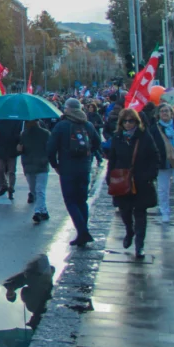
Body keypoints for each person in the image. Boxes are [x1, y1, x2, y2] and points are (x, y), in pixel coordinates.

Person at [47, 98, 102, 247]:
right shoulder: (88, 125)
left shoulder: (61, 126)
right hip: (84, 168)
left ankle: (83, 232)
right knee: (81, 201)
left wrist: (55, 165)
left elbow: (51, 149)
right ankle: (83, 230)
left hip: (67, 168)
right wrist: (89, 156)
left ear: (67, 109)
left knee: (70, 201)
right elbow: (97, 143)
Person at [109, 108, 160, 260]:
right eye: (125, 121)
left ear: (136, 122)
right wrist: (109, 177)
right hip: (122, 181)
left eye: (131, 121)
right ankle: (129, 231)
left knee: (140, 213)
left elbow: (155, 156)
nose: (128, 124)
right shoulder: (117, 137)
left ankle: (139, 245)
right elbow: (112, 159)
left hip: (140, 181)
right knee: (125, 211)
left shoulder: (144, 136)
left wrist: (149, 175)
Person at [19, 119, 51, 223]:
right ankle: (43, 210)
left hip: (34, 165)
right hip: (35, 164)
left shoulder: (44, 134)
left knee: (37, 189)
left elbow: (50, 148)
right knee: (37, 190)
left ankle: (38, 211)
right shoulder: (24, 134)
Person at [0, 119, 22, 200]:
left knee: (11, 171)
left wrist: (19, 137)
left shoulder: (17, 121)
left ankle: (11, 188)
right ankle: (4, 185)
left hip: (12, 149)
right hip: (0, 149)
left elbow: (19, 134)